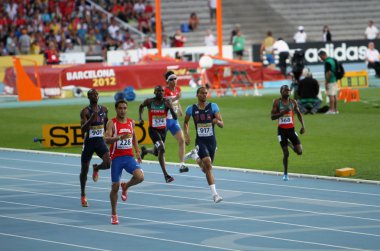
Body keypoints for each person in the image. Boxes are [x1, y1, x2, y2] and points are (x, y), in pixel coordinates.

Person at [104, 99, 144, 225]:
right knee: (115, 187)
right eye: (120, 108)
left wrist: (137, 152)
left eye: (124, 108)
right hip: (116, 158)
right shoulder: (112, 123)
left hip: (128, 157)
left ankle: (126, 186)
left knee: (140, 177)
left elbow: (134, 137)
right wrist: (119, 137)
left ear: (127, 109)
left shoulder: (131, 122)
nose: (122, 110)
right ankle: (114, 214)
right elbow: (106, 139)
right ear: (116, 109)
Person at [183, 86, 224, 203]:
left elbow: (222, 123)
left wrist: (217, 121)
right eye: (202, 93)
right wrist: (186, 134)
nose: (204, 95)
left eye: (206, 93)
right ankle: (215, 195)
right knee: (208, 165)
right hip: (200, 141)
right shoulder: (191, 109)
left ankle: (194, 156)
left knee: (205, 169)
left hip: (212, 141)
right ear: (197, 95)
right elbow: (185, 122)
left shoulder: (213, 106)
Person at [139, 85, 178, 183]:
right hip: (153, 130)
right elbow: (141, 106)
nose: (160, 92)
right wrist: (140, 118)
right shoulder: (149, 101)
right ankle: (166, 175)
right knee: (162, 148)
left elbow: (175, 117)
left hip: (163, 130)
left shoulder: (166, 102)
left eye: (162, 91)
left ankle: (145, 151)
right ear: (154, 92)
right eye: (158, 91)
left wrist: (171, 108)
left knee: (157, 152)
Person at [79, 89, 110, 207]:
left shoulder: (104, 109)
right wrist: (91, 120)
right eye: (92, 94)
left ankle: (96, 168)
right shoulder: (85, 111)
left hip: (100, 142)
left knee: (108, 163)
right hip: (89, 143)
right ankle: (83, 194)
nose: (95, 96)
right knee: (84, 171)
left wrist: (107, 134)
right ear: (88, 97)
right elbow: (82, 129)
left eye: (96, 94)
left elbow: (106, 123)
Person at [271, 85, 305, 181]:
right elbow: (272, 117)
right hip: (281, 131)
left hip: (291, 130)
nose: (288, 92)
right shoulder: (277, 102)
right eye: (286, 91)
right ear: (281, 92)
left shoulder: (293, 102)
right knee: (286, 153)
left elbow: (299, 114)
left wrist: (303, 126)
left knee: (299, 152)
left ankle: (288, 143)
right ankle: (285, 174)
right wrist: (282, 113)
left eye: (289, 91)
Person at [164, 71, 189, 173]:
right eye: (171, 79)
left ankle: (182, 164)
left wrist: (180, 109)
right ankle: (163, 166)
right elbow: (166, 104)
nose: (174, 81)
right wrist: (175, 98)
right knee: (161, 145)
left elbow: (176, 102)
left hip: (173, 121)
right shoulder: (164, 91)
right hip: (164, 120)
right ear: (167, 81)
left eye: (175, 78)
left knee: (182, 140)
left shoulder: (178, 89)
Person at [318, 50, 339, 114]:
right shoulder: (332, 60)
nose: (320, 59)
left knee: (331, 95)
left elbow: (328, 73)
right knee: (335, 95)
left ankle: (331, 110)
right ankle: (335, 110)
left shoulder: (327, 62)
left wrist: (326, 82)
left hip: (330, 80)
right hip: (334, 79)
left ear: (323, 55)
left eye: (320, 57)